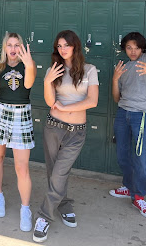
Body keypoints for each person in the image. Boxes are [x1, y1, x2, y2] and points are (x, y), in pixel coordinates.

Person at [33, 30, 99, 243]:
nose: (62, 49)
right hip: (53, 126)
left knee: (59, 172)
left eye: (66, 45)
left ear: (75, 46)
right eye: (59, 46)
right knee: (54, 171)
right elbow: (49, 100)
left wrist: (66, 108)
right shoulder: (55, 70)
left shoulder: (89, 70)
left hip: (76, 132)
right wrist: (47, 82)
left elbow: (92, 101)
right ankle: (64, 203)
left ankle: (44, 216)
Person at [0, 33, 36, 231]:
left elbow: (28, 84)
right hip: (1, 113)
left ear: (21, 47)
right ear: (5, 48)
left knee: (22, 167)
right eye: (9, 45)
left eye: (17, 45)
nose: (13, 49)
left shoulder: (29, 65)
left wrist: (29, 65)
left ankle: (25, 208)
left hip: (21, 116)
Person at [109, 32, 146, 219]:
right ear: (124, 48)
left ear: (142, 48)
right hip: (123, 112)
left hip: (143, 114)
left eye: (136, 47)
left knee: (141, 157)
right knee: (122, 153)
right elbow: (117, 98)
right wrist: (115, 79)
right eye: (129, 48)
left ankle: (139, 196)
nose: (133, 51)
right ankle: (128, 186)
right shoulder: (123, 67)